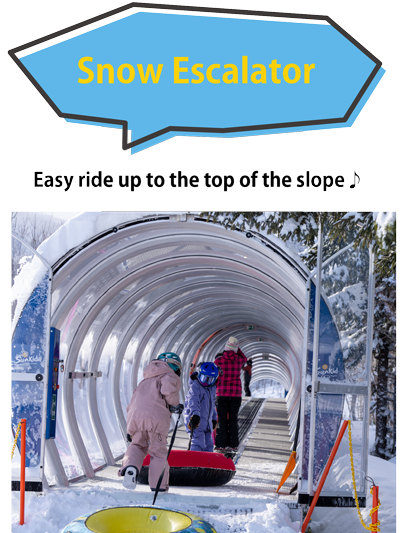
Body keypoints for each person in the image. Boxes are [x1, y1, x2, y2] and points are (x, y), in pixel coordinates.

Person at [118, 352, 184, 492]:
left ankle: (130, 467)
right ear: (175, 366)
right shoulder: (169, 375)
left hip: (136, 418)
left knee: (137, 445)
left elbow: (132, 404)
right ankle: (158, 487)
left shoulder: (145, 380)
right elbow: (168, 390)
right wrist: (175, 405)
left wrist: (131, 429)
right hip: (155, 420)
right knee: (158, 452)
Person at [214, 337, 247, 454]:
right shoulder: (238, 360)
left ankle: (220, 445)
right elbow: (245, 358)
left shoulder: (218, 361)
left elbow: (214, 375)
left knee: (222, 419)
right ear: (236, 350)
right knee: (233, 419)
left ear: (225, 348)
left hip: (221, 393)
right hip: (236, 394)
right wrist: (237, 349)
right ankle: (233, 445)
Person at [184, 362, 219, 452]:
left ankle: (207, 460)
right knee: (197, 444)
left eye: (210, 380)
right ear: (199, 375)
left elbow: (212, 404)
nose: (206, 382)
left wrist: (214, 418)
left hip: (207, 424)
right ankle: (194, 460)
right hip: (196, 423)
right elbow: (193, 402)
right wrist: (195, 415)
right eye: (204, 379)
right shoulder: (195, 386)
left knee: (209, 445)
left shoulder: (212, 388)